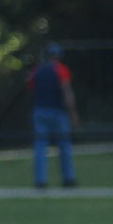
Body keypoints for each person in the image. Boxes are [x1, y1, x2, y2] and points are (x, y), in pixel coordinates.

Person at [29, 42, 79, 189]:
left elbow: (31, 88)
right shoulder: (61, 70)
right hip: (58, 112)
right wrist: (73, 113)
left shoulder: (37, 71)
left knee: (40, 146)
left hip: (39, 111)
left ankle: (40, 180)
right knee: (64, 145)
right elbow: (67, 92)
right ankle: (68, 178)